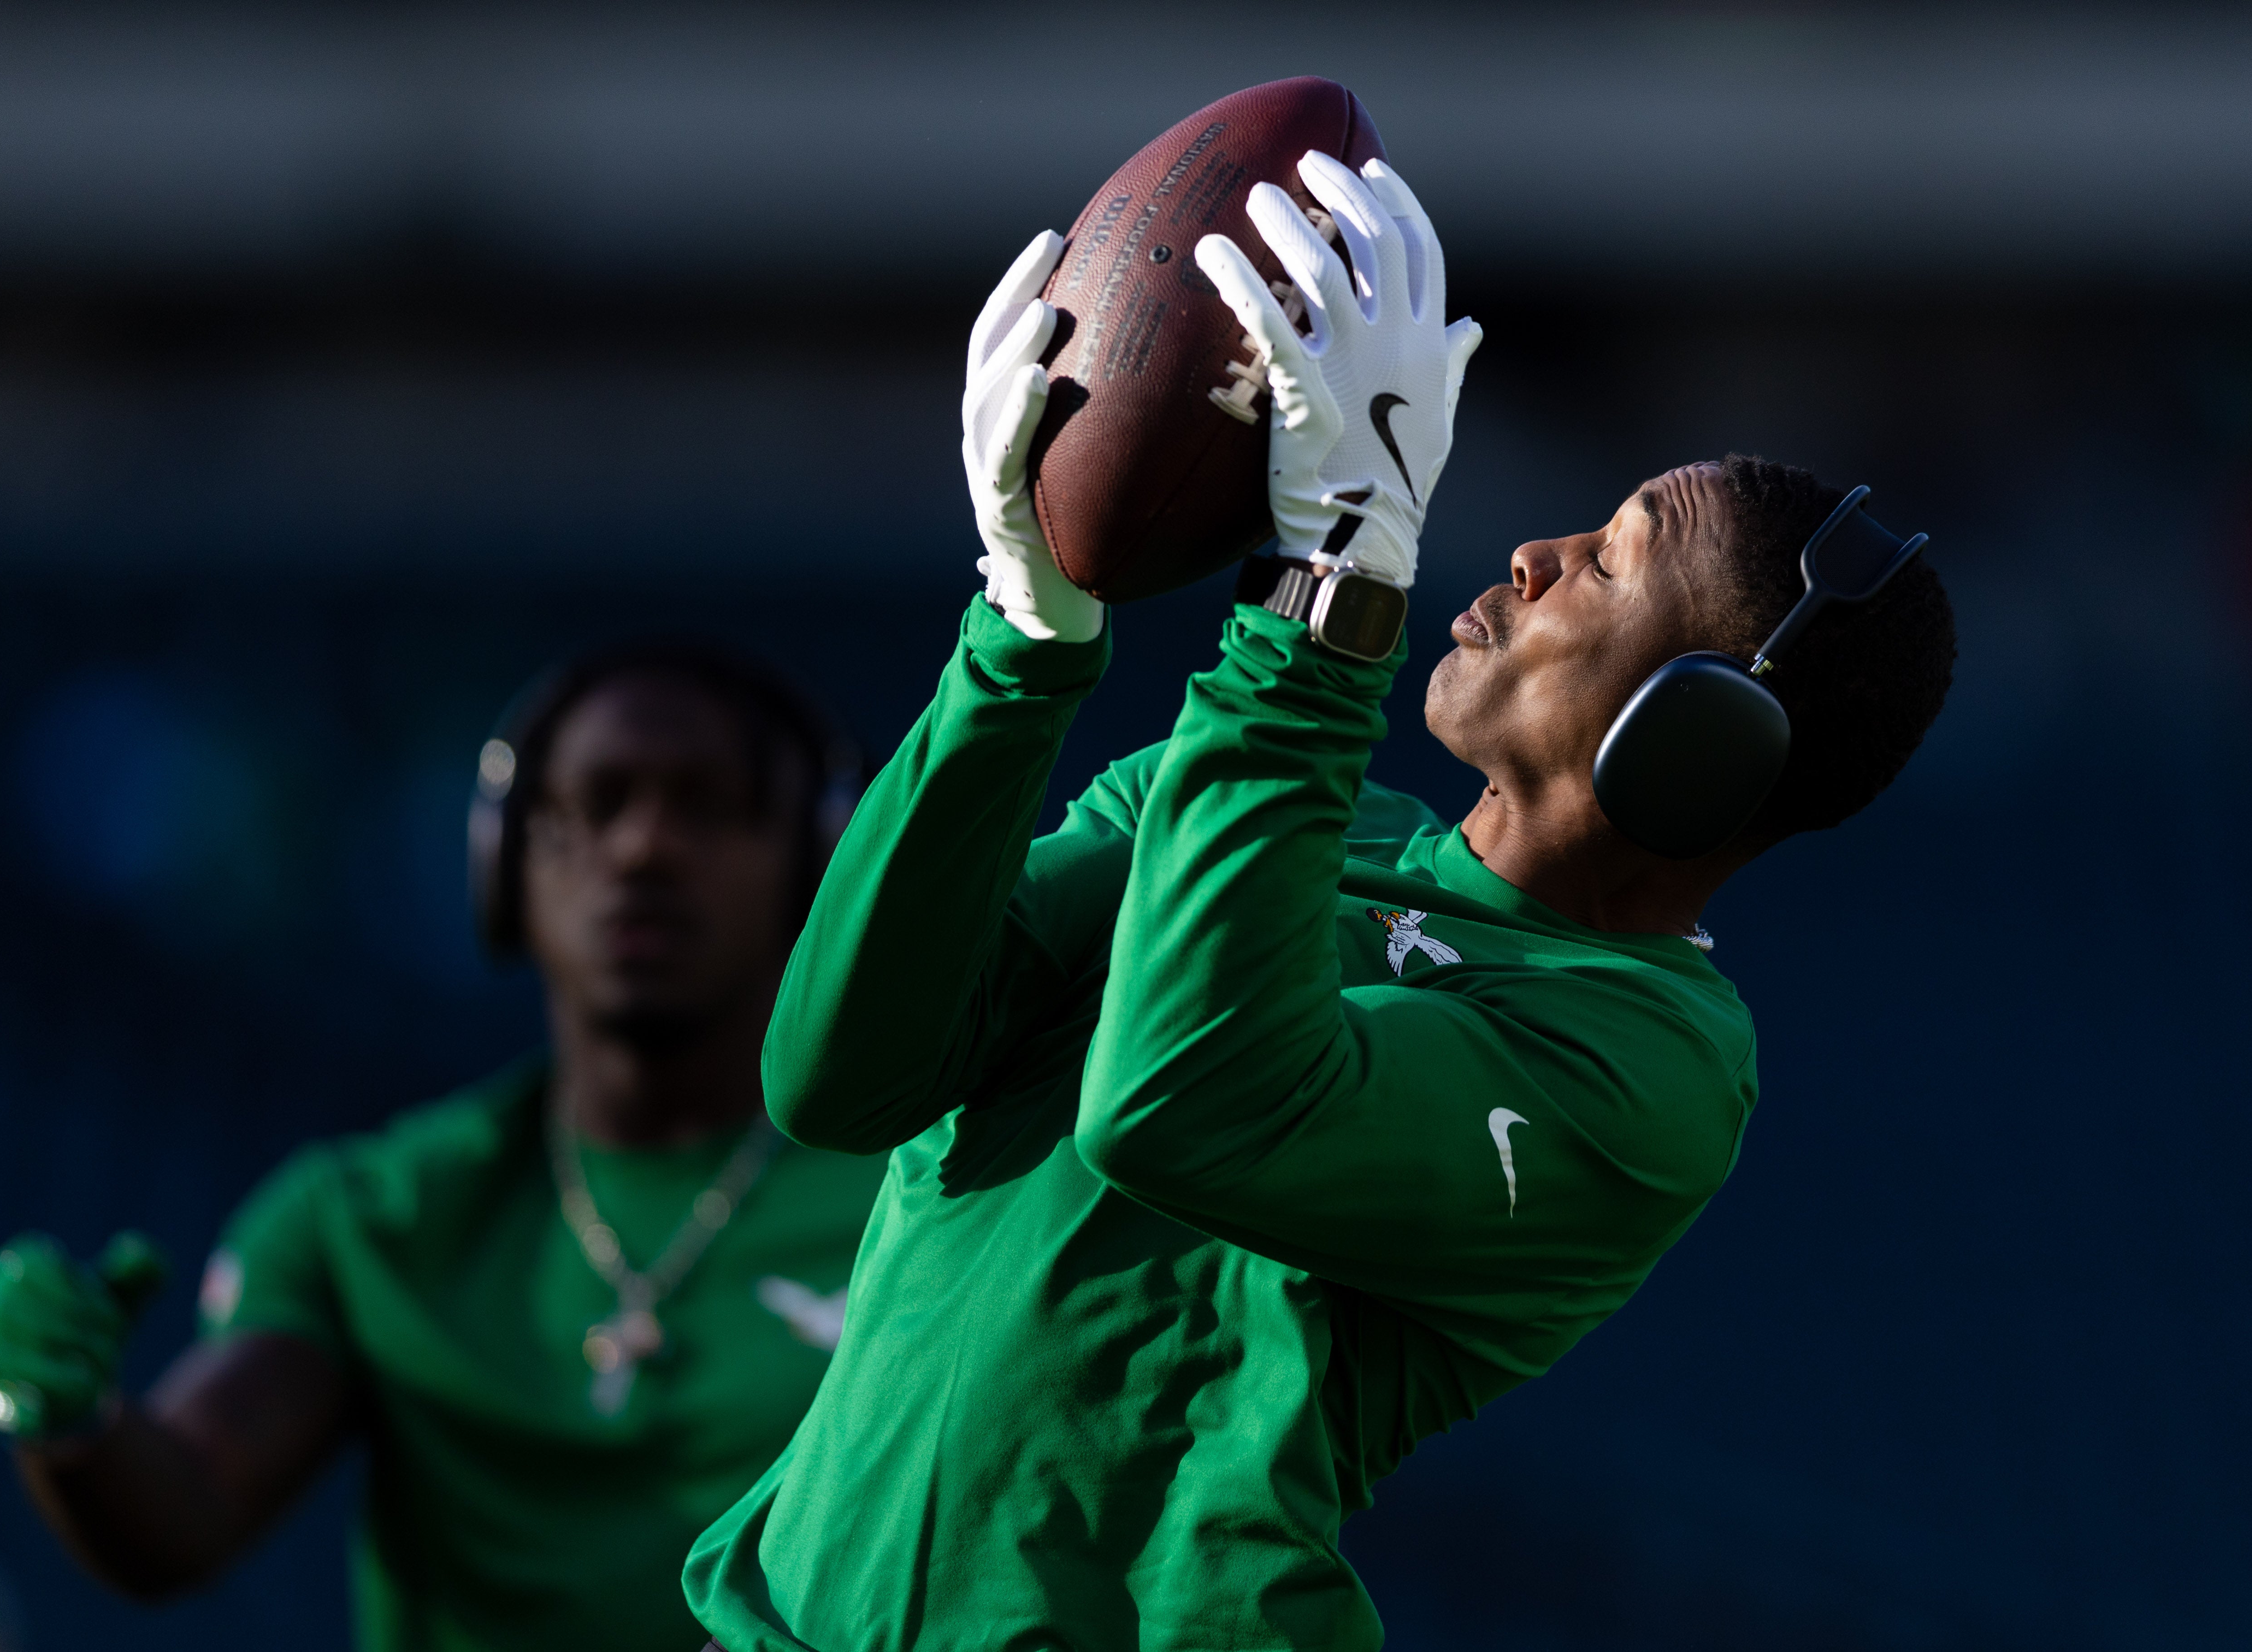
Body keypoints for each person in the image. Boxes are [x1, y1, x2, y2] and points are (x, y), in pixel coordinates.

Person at [682, 153, 1956, 1649]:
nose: (1532, 556)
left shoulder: (1652, 1067)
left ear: (1701, 735)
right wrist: (1023, 632)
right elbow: (837, 1074)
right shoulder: (1228, 790)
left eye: (1609, 565)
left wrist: (1327, 612)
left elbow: (1187, 1106)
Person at [0, 646, 888, 1651]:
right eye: (593, 806)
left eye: (709, 806)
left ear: (822, 860)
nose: (643, 848)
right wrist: (75, 1426)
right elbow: (187, 1504)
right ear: (502, 865)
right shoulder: (373, 1218)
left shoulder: (931, 1198)